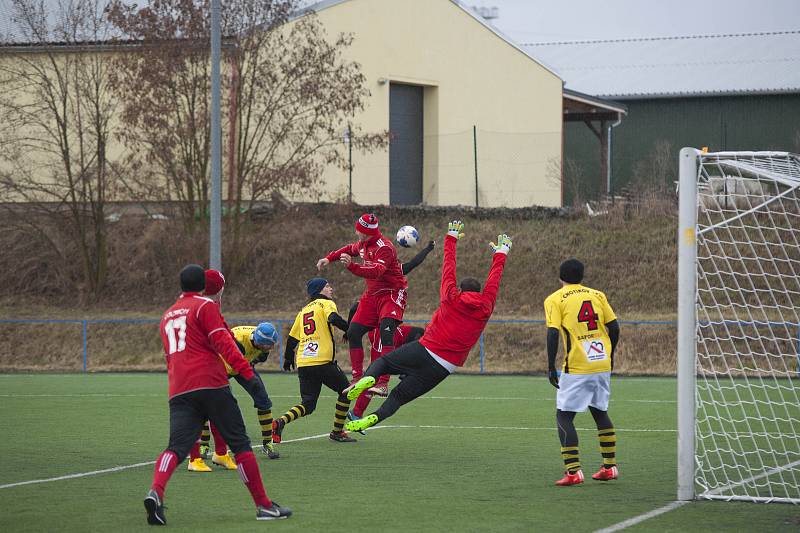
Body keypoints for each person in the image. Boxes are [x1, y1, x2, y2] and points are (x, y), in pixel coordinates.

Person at [144, 264, 291, 525]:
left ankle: (156, 492)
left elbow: (169, 357)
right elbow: (225, 344)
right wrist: (247, 375)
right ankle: (264, 506)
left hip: (179, 387)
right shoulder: (205, 306)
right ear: (203, 285)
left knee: (175, 448)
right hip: (211, 383)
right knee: (242, 445)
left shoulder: (167, 316)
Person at [345, 221, 512, 432]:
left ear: (461, 289)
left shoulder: (452, 296)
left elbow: (448, 269)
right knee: (399, 396)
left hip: (425, 349)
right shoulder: (486, 305)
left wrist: (450, 239)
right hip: (444, 367)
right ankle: (372, 419)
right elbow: (494, 282)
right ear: (479, 293)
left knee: (385, 362)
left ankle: (367, 380)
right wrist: (502, 253)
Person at [543, 258, 620, 486]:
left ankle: (573, 472)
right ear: (582, 276)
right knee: (600, 412)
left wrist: (550, 366)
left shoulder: (555, 299)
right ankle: (610, 466)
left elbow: (553, 333)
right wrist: (611, 354)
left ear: (560, 277)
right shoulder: (598, 295)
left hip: (577, 366)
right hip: (601, 362)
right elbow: (614, 327)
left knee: (564, 416)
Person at [317, 213, 407, 386]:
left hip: (391, 294)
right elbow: (348, 249)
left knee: (386, 332)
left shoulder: (384, 247)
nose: (356, 232)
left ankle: (383, 382)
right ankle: (357, 378)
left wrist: (352, 266)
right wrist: (329, 258)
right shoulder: (362, 244)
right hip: (372, 295)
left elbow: (376, 271)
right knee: (353, 333)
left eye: (359, 230)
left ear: (367, 233)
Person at [345, 239, 434, 403]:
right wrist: (428, 249)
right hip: (378, 329)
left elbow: (353, 308)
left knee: (381, 352)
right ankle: (369, 385)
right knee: (382, 352)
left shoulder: (392, 273)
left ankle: (371, 383)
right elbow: (414, 263)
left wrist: (348, 329)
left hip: (378, 328)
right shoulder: (376, 283)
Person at [272, 278, 357, 444]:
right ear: (319, 290)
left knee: (308, 404)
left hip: (304, 363)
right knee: (347, 392)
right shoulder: (326, 303)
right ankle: (337, 432)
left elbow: (291, 339)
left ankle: (280, 422)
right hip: (323, 361)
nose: (330, 288)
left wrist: (288, 358)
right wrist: (351, 330)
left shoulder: (303, 310)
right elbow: (333, 318)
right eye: (327, 286)